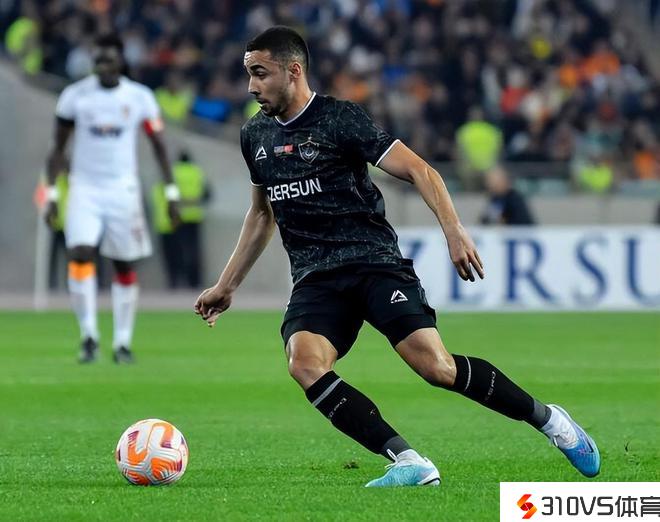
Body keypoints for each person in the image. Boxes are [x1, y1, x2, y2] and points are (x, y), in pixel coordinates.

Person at [195, 26, 600, 487]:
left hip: (373, 263)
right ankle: (408, 460)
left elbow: (420, 170)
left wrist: (454, 231)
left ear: (293, 70)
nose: (251, 86)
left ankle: (550, 420)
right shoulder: (255, 135)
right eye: (249, 74)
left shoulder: (340, 119)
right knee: (304, 363)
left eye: (260, 73)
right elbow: (261, 213)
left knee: (436, 368)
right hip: (315, 277)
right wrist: (226, 285)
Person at [45, 33, 180, 364]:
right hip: (84, 188)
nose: (102, 65)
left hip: (123, 190)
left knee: (123, 264)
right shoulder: (74, 96)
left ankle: (122, 342)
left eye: (108, 59)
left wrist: (171, 192)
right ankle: (88, 335)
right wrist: (51, 194)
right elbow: (57, 149)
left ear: (121, 60)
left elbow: (159, 146)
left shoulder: (140, 97)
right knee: (80, 253)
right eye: (97, 59)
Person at [152, 149, 210, 289]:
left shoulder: (173, 172)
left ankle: (179, 282)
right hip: (195, 216)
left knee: (179, 251)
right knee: (194, 251)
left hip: (179, 217)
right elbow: (207, 194)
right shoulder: (197, 171)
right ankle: (195, 282)